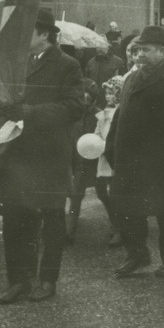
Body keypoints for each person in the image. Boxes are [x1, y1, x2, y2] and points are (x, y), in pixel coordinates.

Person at [0, 9, 85, 304]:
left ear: (44, 34)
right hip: (18, 154)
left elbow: (74, 107)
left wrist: (31, 113)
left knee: (51, 218)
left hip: (49, 155)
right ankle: (18, 279)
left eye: (27, 31)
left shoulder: (67, 65)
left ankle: (47, 279)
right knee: (14, 218)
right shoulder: (16, 64)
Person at [105, 25, 164, 278]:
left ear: (162, 52)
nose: (139, 55)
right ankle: (137, 255)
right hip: (128, 157)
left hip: (161, 159)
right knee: (128, 208)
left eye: (145, 50)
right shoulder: (133, 77)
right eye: (136, 50)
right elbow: (120, 114)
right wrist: (111, 144)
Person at [67, 78, 101, 244]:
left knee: (103, 194)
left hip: (93, 161)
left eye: (88, 99)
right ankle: (69, 231)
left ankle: (118, 229)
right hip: (75, 159)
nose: (84, 102)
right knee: (75, 195)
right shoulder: (72, 113)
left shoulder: (98, 115)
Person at [93, 76, 124, 247]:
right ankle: (115, 222)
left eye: (111, 93)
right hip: (102, 156)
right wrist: (96, 142)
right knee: (101, 191)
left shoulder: (121, 112)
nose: (107, 96)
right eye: (106, 93)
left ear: (119, 94)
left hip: (114, 157)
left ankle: (119, 228)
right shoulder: (104, 112)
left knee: (114, 193)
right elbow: (98, 131)